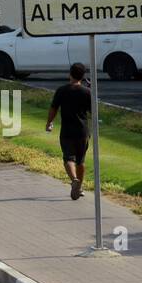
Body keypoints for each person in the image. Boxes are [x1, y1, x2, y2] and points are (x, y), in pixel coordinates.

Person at [46, 62, 93, 200]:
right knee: (81, 160)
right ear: (83, 76)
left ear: (70, 74)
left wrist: (49, 122)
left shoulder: (62, 90)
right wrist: (90, 92)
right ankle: (80, 187)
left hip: (67, 131)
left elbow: (54, 108)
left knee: (68, 158)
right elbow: (93, 111)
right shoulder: (86, 92)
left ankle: (74, 180)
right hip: (82, 131)